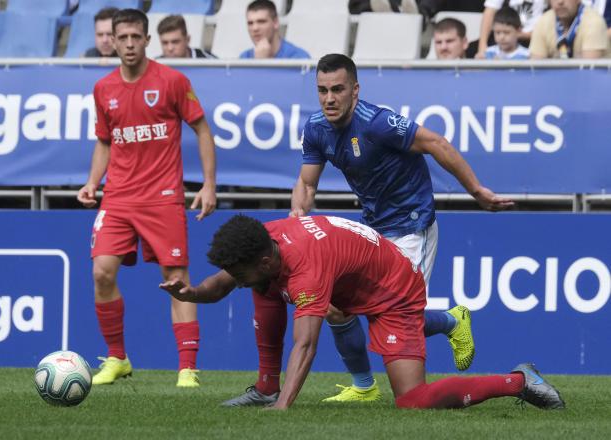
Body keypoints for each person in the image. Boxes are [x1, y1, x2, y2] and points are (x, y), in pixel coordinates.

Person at [220, 53, 514, 407]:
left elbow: (436, 143)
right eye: (323, 90)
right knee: (336, 307)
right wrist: (298, 212)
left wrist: (476, 190)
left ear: (355, 91)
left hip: (412, 226)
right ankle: (363, 386)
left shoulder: (378, 123)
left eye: (338, 90)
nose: (329, 98)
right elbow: (306, 183)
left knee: (391, 312)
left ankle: (452, 321)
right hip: (374, 227)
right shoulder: (316, 128)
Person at [160, 214, 565, 411]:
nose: (233, 277)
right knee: (264, 290)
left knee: (412, 401)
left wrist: (285, 407)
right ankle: (266, 386)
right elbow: (225, 283)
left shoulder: (305, 271)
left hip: (394, 291)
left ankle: (518, 378)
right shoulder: (265, 242)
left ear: (266, 258)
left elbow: (305, 344)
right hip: (356, 274)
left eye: (240, 271)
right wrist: (192, 292)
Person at [77, 9, 217, 388]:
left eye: (135, 37)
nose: (128, 44)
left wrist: (208, 185)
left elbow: (203, 130)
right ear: (112, 39)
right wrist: (92, 181)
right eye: (121, 37)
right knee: (101, 271)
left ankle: (187, 368)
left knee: (176, 280)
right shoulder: (103, 88)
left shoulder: (172, 81)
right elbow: (105, 140)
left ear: (146, 39)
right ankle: (117, 358)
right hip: (118, 197)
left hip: (163, 197)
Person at [530, 0, 609, 59]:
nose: (560, 2)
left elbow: (589, 71)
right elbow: (535, 68)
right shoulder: (543, 21)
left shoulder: (594, 22)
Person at [475, 0, 547, 59]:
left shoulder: (527, 55)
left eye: (506, 32)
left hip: (536, 41)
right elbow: (489, 13)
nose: (502, 37)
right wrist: (482, 48)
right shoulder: (489, 53)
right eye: (498, 32)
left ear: (518, 30)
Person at [240, 0, 310, 59]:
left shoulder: (299, 59)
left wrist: (261, 64)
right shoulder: (244, 58)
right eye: (250, 23)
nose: (255, 28)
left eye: (261, 21)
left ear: (276, 22)